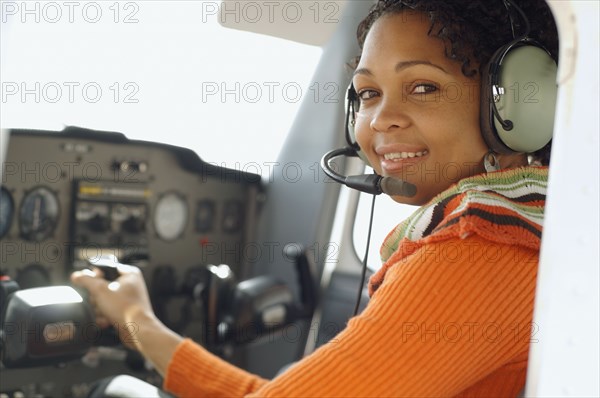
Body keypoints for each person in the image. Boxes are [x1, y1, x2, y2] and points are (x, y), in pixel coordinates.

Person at [72, 0, 558, 396]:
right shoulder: (531, 227)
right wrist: (139, 323)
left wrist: (137, 324)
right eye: (367, 94)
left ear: (516, 102)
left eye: (423, 87)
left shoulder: (479, 249)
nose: (381, 119)